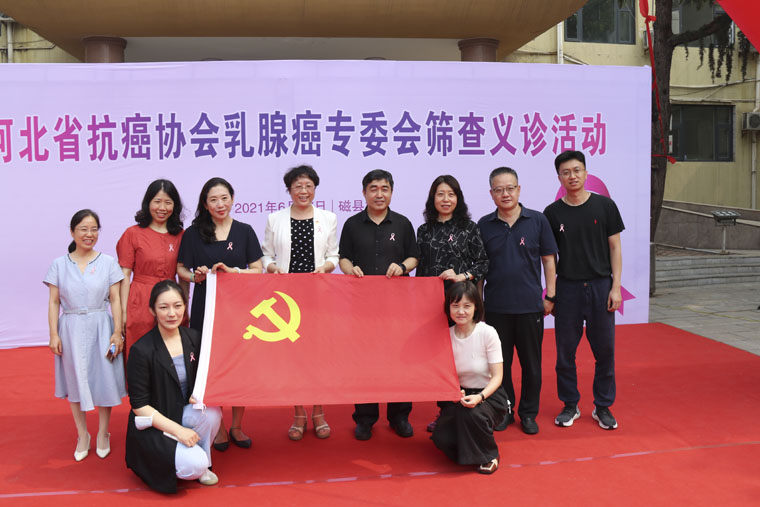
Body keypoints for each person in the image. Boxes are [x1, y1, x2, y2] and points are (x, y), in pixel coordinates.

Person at [177, 177, 263, 450]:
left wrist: (234, 271)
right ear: (205, 204)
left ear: (232, 199)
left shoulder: (245, 231)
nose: (220, 204)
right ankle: (220, 427)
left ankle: (237, 426)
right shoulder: (193, 234)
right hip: (207, 307)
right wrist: (196, 276)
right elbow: (181, 269)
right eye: (213, 199)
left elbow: (258, 269)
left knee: (239, 364)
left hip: (239, 309)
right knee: (209, 365)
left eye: (224, 198)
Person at [543, 150, 624, 430]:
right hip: (568, 288)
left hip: (601, 286)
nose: (572, 176)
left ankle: (603, 406)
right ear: (559, 177)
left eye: (577, 170)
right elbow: (550, 258)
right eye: (566, 172)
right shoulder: (552, 213)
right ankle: (570, 404)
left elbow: (615, 247)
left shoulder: (605, 206)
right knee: (565, 353)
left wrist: (615, 287)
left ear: (586, 173)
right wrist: (552, 293)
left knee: (605, 351)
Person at [339, 169, 419, 441]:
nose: (379, 194)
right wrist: (350, 269)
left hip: (397, 308)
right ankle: (365, 418)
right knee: (364, 362)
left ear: (391, 192)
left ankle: (399, 416)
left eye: (384, 189)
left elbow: (414, 257)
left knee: (400, 361)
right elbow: (344, 257)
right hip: (362, 307)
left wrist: (402, 266)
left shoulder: (403, 223)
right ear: (364, 193)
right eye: (373, 189)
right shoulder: (352, 224)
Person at [477, 167, 558, 435]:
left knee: (531, 365)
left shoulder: (537, 220)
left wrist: (550, 295)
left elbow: (549, 260)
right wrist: (479, 305)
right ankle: (506, 410)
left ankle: (529, 413)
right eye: (499, 189)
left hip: (530, 307)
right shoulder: (484, 225)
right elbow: (479, 270)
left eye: (510, 188)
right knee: (501, 366)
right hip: (496, 307)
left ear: (519, 189)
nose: (505, 194)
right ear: (491, 193)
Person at [261, 165, 338, 441]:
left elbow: (334, 255)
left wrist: (326, 267)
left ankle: (318, 411)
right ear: (289, 190)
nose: (303, 191)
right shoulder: (275, 219)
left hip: (317, 296)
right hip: (287, 298)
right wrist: (273, 269)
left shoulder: (328, 218)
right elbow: (266, 256)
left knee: (317, 356)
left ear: (315, 188)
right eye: (297, 186)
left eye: (308, 186)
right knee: (292, 357)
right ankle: (298, 413)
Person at [44, 209, 125, 461]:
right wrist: (53, 334)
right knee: (75, 378)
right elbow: (54, 302)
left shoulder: (108, 263)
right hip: (71, 327)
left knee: (104, 378)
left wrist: (118, 332)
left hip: (102, 325)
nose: (89, 234)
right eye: (83, 229)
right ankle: (82, 434)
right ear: (72, 232)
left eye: (94, 229)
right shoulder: (59, 264)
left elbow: (115, 299)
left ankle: (102, 433)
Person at [126, 280, 222, 493]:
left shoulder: (193, 338)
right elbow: (139, 406)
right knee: (194, 465)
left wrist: (198, 394)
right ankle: (193, 460)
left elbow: (204, 377)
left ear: (185, 306)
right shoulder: (141, 350)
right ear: (152, 310)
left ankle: (203, 460)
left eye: (177, 306)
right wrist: (179, 431)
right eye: (164, 307)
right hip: (155, 424)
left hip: (181, 411)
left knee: (212, 413)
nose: (172, 313)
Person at [416, 174, 489, 433]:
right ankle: (445, 413)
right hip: (434, 308)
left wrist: (462, 276)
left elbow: (483, 263)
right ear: (432, 198)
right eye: (440, 194)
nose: (446, 199)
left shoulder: (469, 228)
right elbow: (421, 269)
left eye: (451, 194)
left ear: (458, 198)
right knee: (441, 361)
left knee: (464, 357)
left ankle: (470, 410)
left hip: (462, 305)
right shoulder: (424, 230)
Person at [432, 281, 507, 475]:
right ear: (448, 308)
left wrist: (480, 397)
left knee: (471, 414)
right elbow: (441, 373)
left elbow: (498, 376)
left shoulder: (487, 333)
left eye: (467, 306)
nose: (461, 311)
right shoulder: (445, 336)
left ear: (476, 307)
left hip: (488, 394)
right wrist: (453, 392)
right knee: (440, 438)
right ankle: (470, 447)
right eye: (455, 305)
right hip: (459, 394)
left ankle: (490, 455)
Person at [117, 179, 188, 361]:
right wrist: (123, 312)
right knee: (140, 351)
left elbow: (183, 276)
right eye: (157, 201)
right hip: (140, 299)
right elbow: (124, 275)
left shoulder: (181, 235)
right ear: (148, 203)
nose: (162, 208)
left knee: (172, 352)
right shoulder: (132, 234)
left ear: (175, 206)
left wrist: (184, 306)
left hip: (171, 298)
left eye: (168, 202)